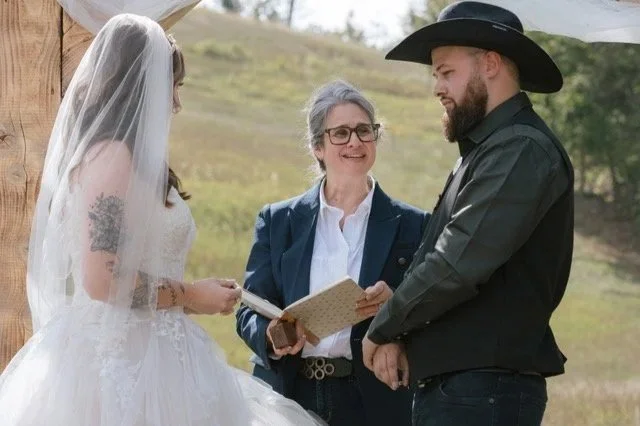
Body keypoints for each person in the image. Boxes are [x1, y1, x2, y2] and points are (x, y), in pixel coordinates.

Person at [0, 14, 323, 426]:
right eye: (173, 86)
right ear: (141, 87)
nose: (176, 101)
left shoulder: (135, 162)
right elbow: (103, 280)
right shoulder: (111, 158)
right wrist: (192, 295)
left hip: (162, 354)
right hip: (116, 366)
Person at [361, 2, 574, 426]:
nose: (437, 87)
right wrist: (404, 309)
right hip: (466, 392)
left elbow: (458, 262)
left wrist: (385, 325)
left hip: (484, 395)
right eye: (435, 75)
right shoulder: (489, 151)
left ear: (490, 63)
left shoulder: (520, 149)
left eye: (446, 71)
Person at [236, 80, 428, 426]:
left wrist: (394, 310)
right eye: (340, 133)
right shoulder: (278, 220)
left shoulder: (413, 225)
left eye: (364, 130)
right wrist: (273, 335)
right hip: (286, 396)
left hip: (371, 401)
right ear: (317, 148)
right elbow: (248, 310)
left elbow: (431, 311)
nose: (355, 141)